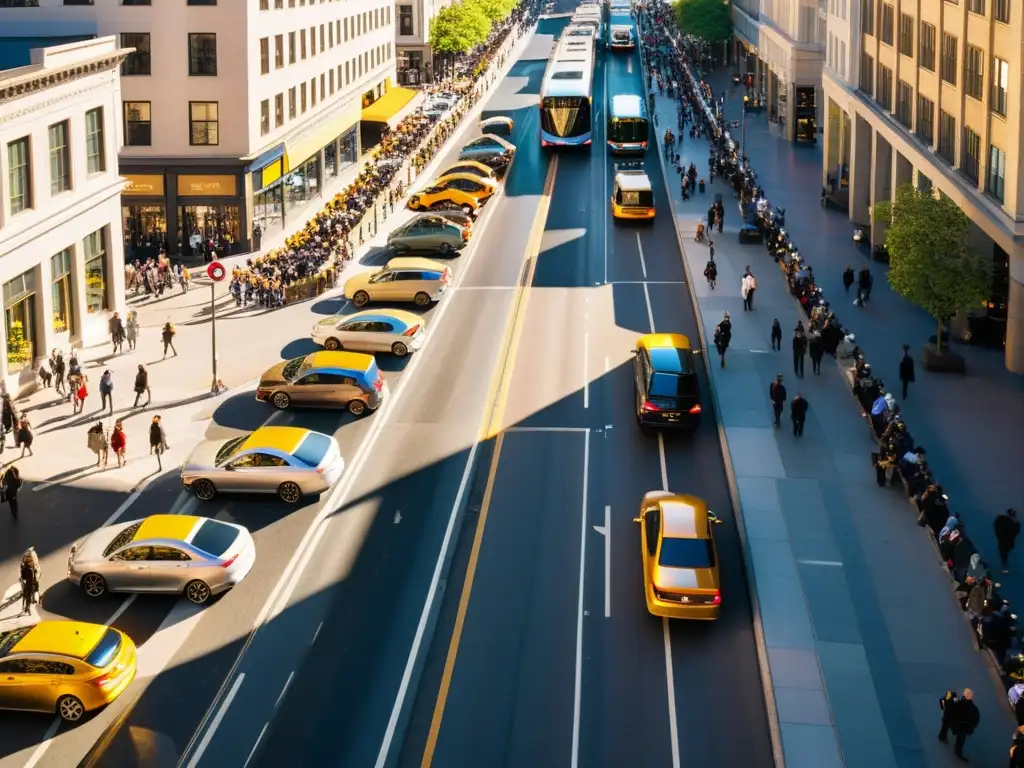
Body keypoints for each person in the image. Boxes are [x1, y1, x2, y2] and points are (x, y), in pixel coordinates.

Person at [938, 687, 979, 761]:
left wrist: (969, 727)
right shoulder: (958, 703)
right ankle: (943, 736)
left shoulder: (971, 708)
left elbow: (975, 720)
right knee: (947, 722)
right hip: (954, 720)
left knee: (961, 736)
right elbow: (948, 711)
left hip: (960, 724)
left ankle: (957, 750)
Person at [995, 509, 1021, 574]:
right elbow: (1016, 531)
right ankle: (1005, 570)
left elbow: (997, 529)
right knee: (1005, 555)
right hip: (1007, 542)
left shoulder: (1001, 519)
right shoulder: (1012, 522)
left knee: (1004, 554)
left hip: (1003, 542)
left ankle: (1005, 569)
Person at [19, 547, 38, 614]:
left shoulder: (24, 565)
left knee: (25, 596)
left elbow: (22, 575)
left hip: (26, 583)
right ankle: (27, 608)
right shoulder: (30, 568)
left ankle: (25, 608)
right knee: (28, 596)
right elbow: (33, 575)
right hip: (29, 583)